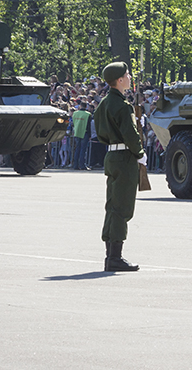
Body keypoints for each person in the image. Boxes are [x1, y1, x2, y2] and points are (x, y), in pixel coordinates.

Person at [93, 61, 147, 272]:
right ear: (119, 80)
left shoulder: (104, 104)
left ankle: (110, 255)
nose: (130, 77)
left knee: (112, 205)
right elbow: (130, 134)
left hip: (111, 156)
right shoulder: (122, 106)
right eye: (127, 74)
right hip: (125, 157)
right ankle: (115, 257)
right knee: (122, 207)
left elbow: (101, 131)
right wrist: (140, 153)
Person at [71, 101, 91, 170]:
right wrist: (90, 135)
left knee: (77, 149)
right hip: (84, 133)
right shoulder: (88, 114)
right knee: (83, 150)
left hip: (77, 132)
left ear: (80, 106)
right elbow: (89, 126)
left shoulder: (75, 113)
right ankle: (82, 165)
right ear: (86, 107)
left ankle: (75, 165)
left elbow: (73, 123)